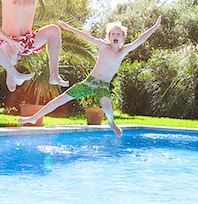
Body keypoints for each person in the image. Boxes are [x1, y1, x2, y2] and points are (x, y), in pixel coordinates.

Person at [18, 17, 162, 137]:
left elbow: (140, 40)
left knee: (107, 108)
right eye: (113, 34)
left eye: (118, 34)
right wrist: (68, 28)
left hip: (102, 86)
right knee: (60, 100)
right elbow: (85, 36)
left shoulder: (123, 51)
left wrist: (154, 27)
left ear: (123, 38)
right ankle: (35, 117)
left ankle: (112, 123)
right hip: (89, 83)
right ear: (109, 37)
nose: (115, 36)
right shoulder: (103, 46)